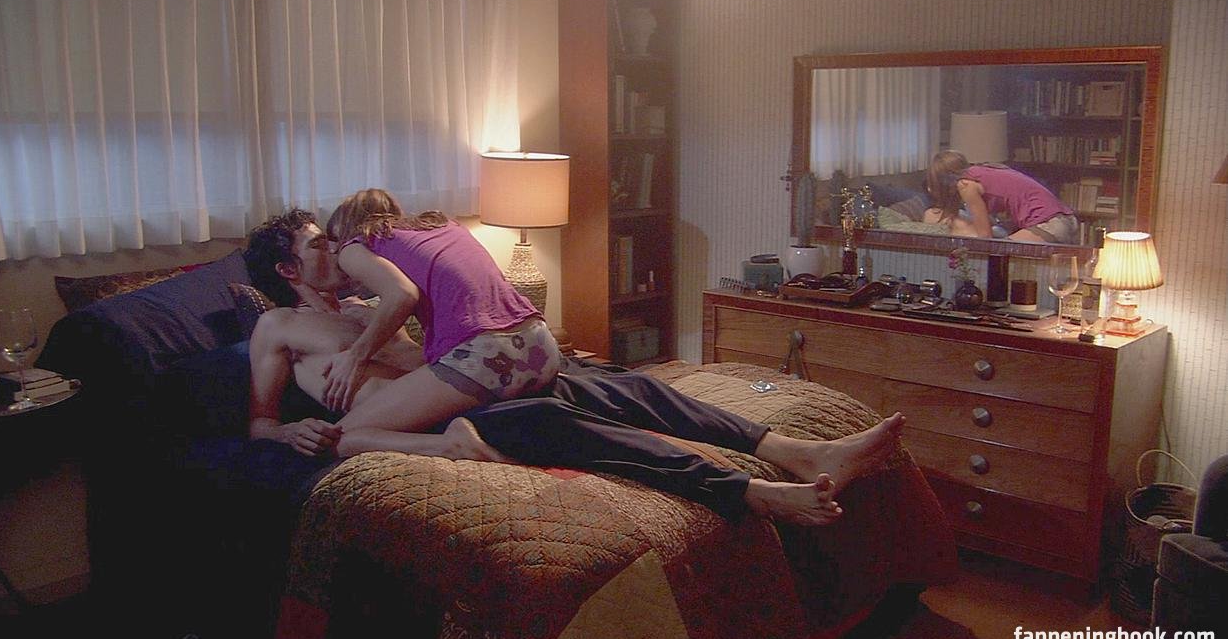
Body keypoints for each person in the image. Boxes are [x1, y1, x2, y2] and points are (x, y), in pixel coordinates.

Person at [244, 203, 904, 526]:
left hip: (460, 390)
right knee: (563, 424)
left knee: (623, 383)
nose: (336, 249)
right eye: (317, 246)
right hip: (432, 425)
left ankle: (791, 448)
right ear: (286, 269)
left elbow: (446, 346)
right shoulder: (280, 327)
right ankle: (749, 491)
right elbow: (258, 424)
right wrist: (289, 432)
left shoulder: (370, 303)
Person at [923, 149, 1079, 243]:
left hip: (1049, 223)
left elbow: (985, 236)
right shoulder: (982, 171)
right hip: (1064, 219)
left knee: (1002, 255)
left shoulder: (966, 185)